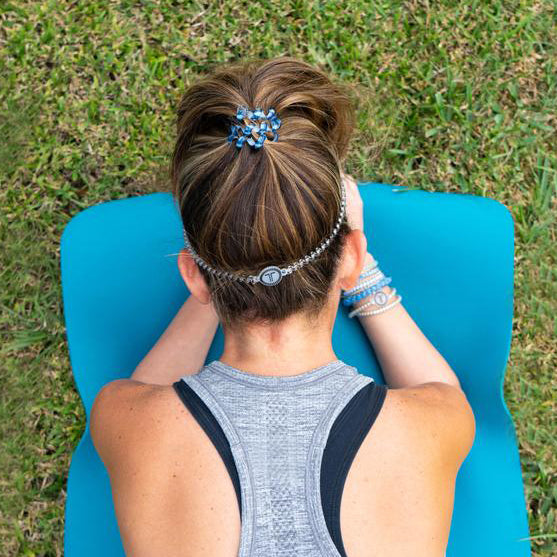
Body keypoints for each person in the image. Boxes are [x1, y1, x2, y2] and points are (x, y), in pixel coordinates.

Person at [90, 56, 475, 557]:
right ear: (351, 256)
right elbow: (439, 388)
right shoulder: (431, 424)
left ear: (193, 276)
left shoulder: (124, 417)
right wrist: (362, 273)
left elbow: (148, 389)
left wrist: (226, 268)